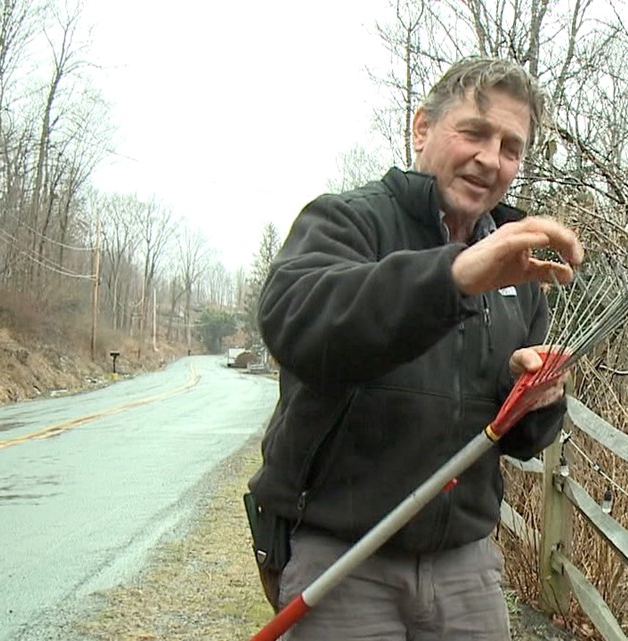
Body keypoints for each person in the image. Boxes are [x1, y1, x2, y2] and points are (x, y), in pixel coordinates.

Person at [247, 56, 584, 640]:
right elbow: (296, 320)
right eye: (474, 132)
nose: (490, 158)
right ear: (422, 129)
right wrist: (452, 278)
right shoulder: (349, 222)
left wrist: (537, 394)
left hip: (465, 564)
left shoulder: (516, 265)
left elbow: (525, 443)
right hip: (343, 558)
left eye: (510, 146)